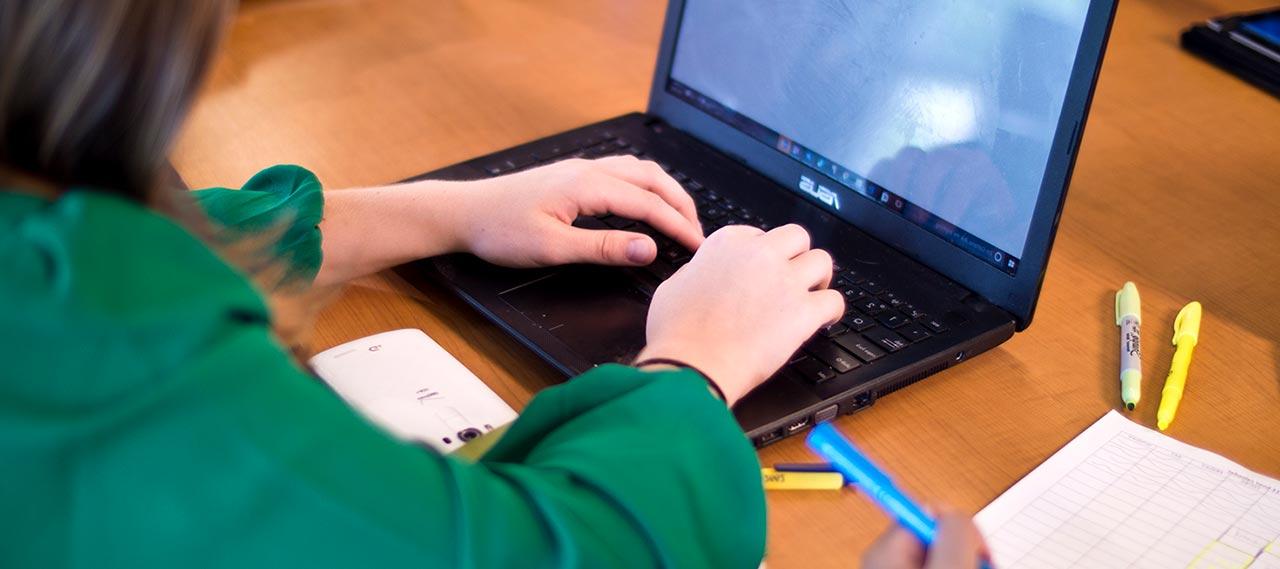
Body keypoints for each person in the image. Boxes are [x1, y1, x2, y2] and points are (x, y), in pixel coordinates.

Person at [0, 1, 987, 567]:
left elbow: (160, 235)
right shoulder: (99, 352)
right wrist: (693, 363)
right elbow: (552, 552)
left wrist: (445, 209)